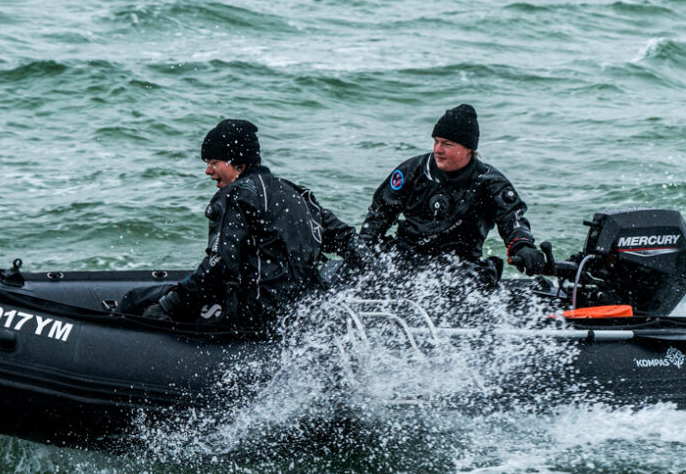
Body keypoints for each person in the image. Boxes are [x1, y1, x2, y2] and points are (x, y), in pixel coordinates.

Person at [120, 119, 369, 329]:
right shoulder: (299, 195)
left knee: (136, 299)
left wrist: (169, 305)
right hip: (301, 312)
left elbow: (220, 265)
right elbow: (348, 239)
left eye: (214, 162)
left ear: (238, 164)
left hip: (256, 313)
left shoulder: (236, 194)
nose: (208, 171)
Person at [359, 104, 546, 283]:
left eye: (446, 144)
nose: (437, 150)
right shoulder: (413, 170)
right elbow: (380, 212)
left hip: (459, 266)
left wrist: (522, 245)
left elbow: (513, 220)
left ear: (468, 149)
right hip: (406, 258)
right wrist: (362, 251)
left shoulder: (490, 182)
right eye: (436, 142)